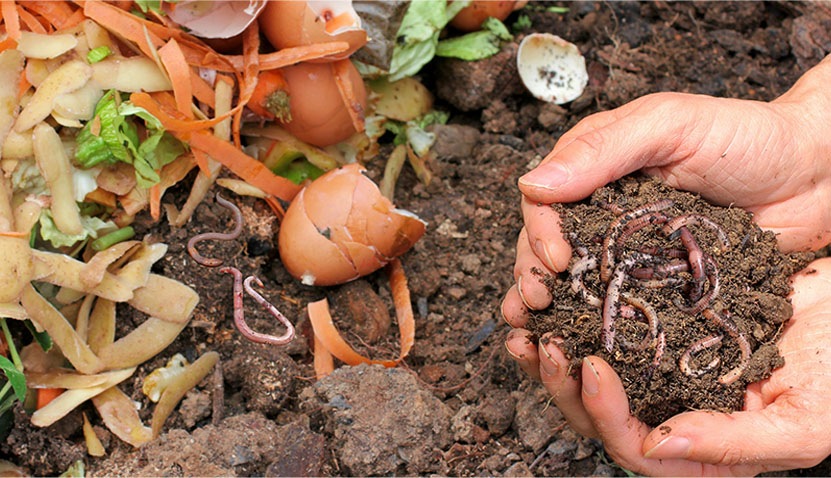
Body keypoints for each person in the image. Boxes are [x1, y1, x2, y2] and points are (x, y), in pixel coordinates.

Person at [501, 53, 831, 475]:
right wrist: (815, 134)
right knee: (582, 274)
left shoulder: (707, 271)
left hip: (676, 270)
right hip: (641, 263)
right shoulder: (638, 254)